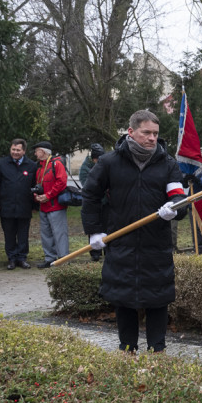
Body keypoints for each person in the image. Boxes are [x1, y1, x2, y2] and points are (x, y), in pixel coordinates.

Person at [81, 109, 188, 352]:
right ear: (131, 132)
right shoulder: (109, 162)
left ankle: (157, 350)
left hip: (156, 244)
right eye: (146, 132)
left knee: (158, 299)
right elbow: (90, 196)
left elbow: (180, 199)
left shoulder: (168, 164)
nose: (152, 138)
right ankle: (127, 349)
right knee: (124, 299)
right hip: (121, 241)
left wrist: (174, 208)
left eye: (155, 133)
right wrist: (94, 231)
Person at [0, 138, 38, 269]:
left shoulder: (32, 165)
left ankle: (22, 258)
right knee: (9, 234)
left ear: (24, 151)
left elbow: (35, 186)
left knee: (23, 234)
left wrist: (35, 206)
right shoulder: (1, 164)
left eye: (18, 150)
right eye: (13, 149)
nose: (15, 152)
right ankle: (11, 258)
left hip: (24, 206)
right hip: (6, 205)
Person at [31, 140, 69, 268]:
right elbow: (39, 185)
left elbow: (61, 182)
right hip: (44, 206)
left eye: (36, 151)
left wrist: (48, 195)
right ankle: (50, 258)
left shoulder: (56, 164)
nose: (35, 154)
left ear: (42, 151)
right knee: (46, 234)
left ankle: (63, 259)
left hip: (56, 206)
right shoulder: (40, 167)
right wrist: (37, 196)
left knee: (59, 234)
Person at [80, 144, 105, 261]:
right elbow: (87, 185)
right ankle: (95, 253)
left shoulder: (105, 164)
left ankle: (107, 250)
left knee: (106, 227)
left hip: (105, 202)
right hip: (93, 203)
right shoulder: (85, 168)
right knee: (93, 229)